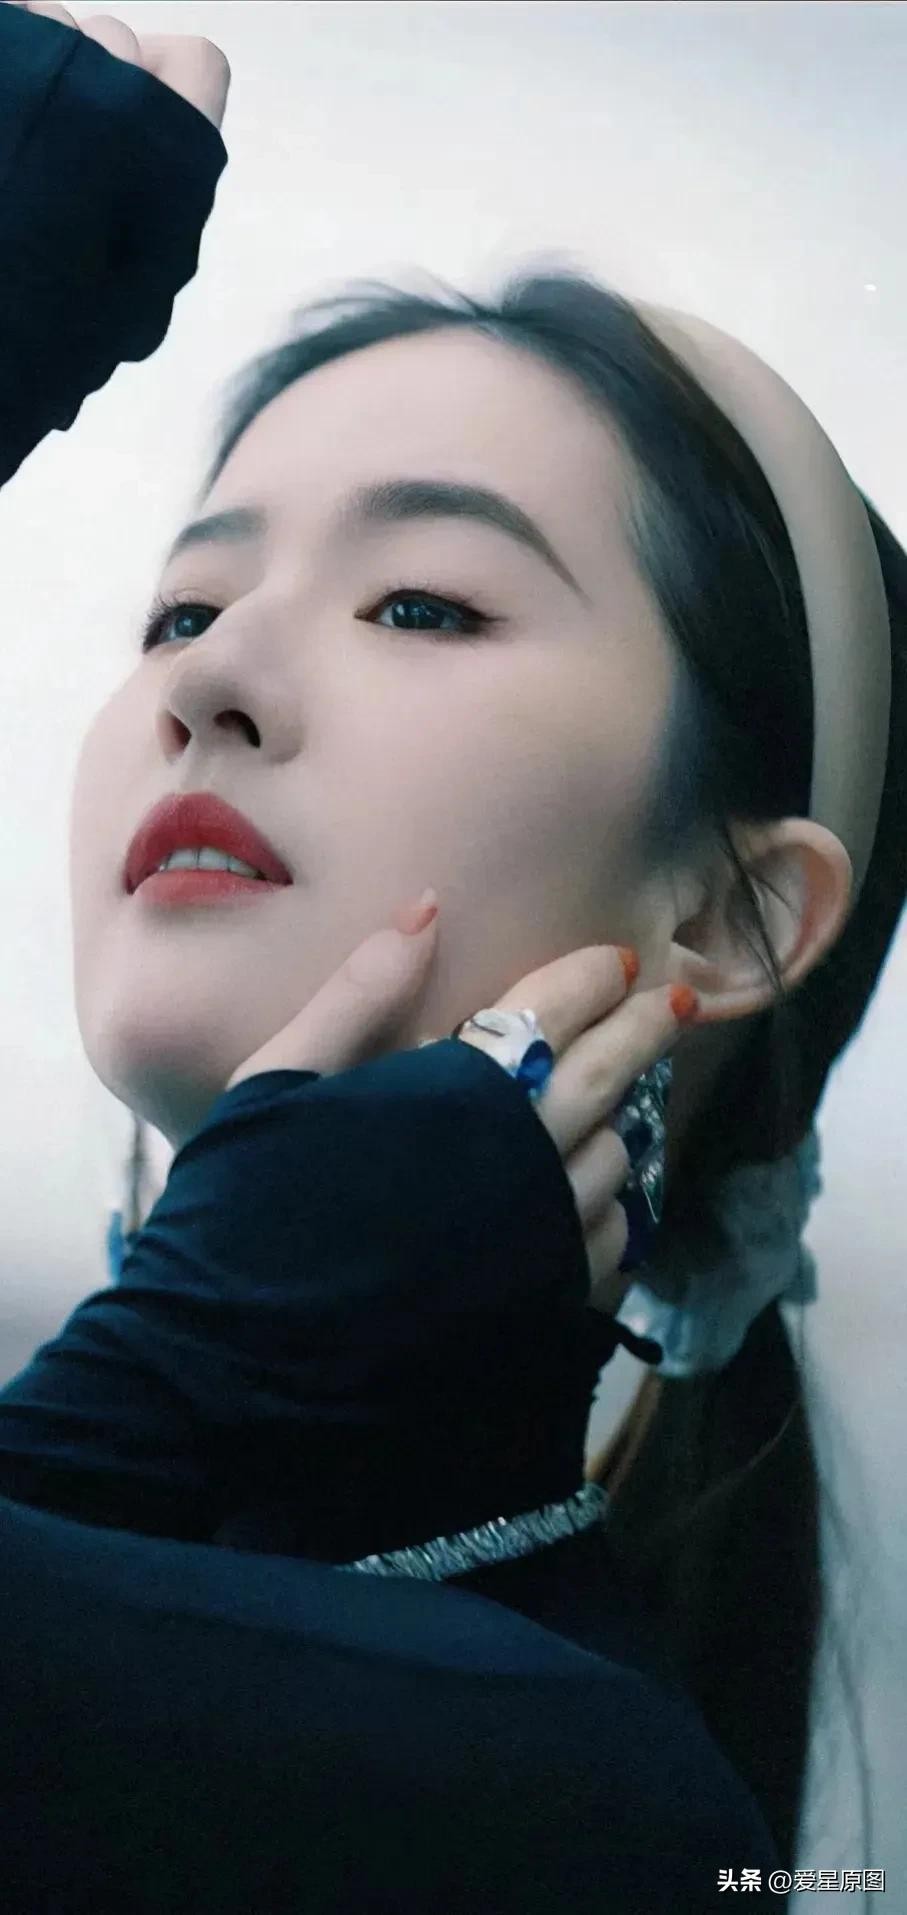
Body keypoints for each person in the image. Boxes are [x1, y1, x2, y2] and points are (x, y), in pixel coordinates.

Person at [0, 4, 902, 1910]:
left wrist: (165, 1384)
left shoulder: (566, 1806)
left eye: (422, 602)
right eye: (182, 606)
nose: (214, 683)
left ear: (734, 916)